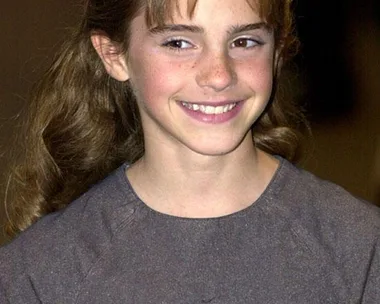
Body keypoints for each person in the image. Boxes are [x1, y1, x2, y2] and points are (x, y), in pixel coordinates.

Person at [0, 0, 379, 302]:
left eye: (244, 41)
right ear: (114, 55)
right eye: (179, 43)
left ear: (277, 52)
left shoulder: (359, 248)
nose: (219, 75)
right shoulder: (40, 271)